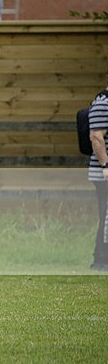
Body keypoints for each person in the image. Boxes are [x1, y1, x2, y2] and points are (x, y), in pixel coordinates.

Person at [87, 80, 108, 270]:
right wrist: (106, 165)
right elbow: (96, 136)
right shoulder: (104, 103)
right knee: (106, 214)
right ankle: (102, 259)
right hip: (104, 172)